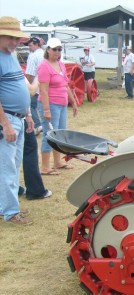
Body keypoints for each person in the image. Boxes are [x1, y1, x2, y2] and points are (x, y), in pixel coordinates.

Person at [0, 16, 34, 225]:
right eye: (11, 37)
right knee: (8, 168)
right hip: (9, 120)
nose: (15, 42)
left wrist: (28, 114)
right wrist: (5, 123)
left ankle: (6, 206)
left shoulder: (11, 56)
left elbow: (20, 86)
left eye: (17, 38)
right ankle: (11, 213)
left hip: (19, 118)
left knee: (14, 165)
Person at [38, 37, 78, 175]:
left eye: (59, 49)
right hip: (51, 104)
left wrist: (73, 101)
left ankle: (57, 161)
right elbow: (43, 90)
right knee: (49, 134)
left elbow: (65, 84)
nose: (57, 52)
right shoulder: (44, 65)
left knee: (60, 134)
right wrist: (46, 109)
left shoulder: (60, 64)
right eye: (54, 49)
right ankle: (45, 166)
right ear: (47, 49)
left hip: (61, 103)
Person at [23, 37, 52, 200]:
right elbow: (30, 87)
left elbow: (29, 85)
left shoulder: (33, 57)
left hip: (21, 114)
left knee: (27, 151)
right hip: (12, 116)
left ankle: (32, 189)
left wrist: (27, 115)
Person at [24, 36, 43, 135]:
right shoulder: (44, 54)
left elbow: (30, 74)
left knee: (30, 104)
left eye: (30, 45)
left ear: (36, 44)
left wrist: (27, 85)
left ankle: (37, 125)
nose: (29, 47)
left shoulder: (33, 56)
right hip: (44, 86)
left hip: (35, 86)